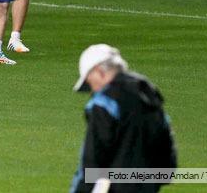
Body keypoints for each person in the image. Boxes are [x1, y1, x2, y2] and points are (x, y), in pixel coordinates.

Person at [70, 44, 178, 193]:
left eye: (89, 82)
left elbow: (92, 158)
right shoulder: (147, 93)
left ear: (100, 72)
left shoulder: (103, 103)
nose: (92, 90)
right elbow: (165, 138)